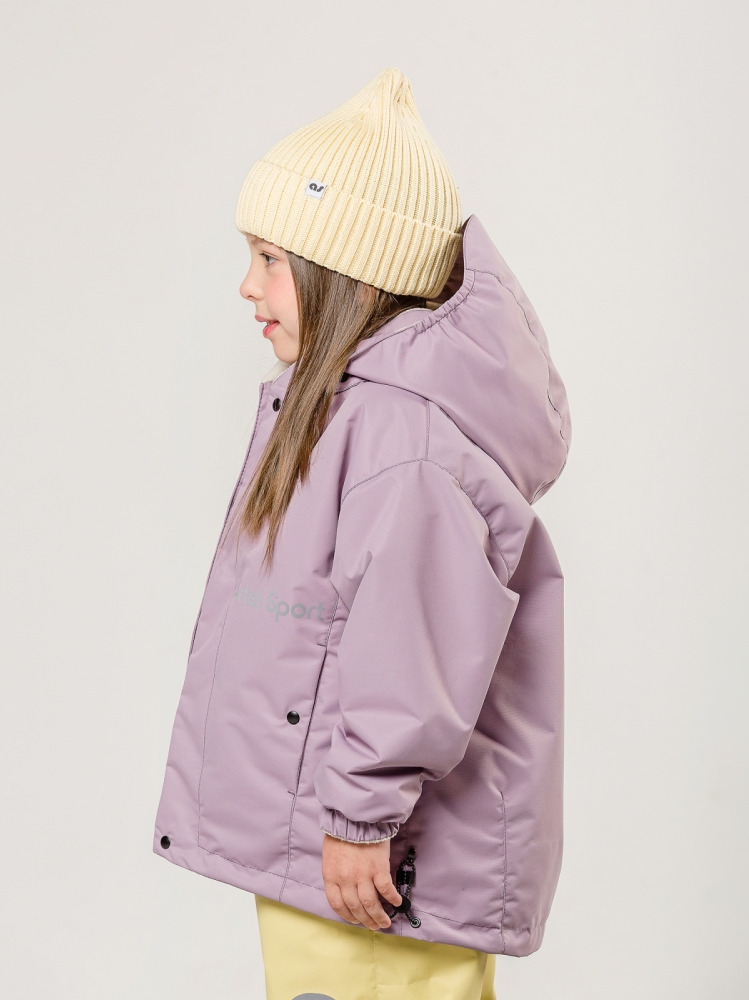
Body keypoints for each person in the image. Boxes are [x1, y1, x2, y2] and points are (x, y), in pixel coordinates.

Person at [153, 67, 571, 1000]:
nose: (247, 286)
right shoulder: (355, 413)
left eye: (270, 259)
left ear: (346, 274)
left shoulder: (398, 434)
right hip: (335, 853)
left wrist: (359, 818)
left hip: (369, 868)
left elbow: (410, 647)